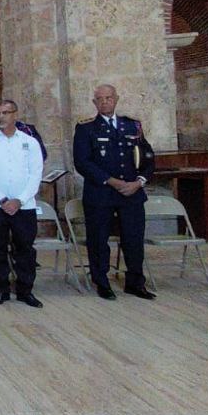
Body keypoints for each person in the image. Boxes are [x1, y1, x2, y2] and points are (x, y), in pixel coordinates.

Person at [71, 84, 156, 301]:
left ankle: (135, 282)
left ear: (116, 99)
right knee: (98, 240)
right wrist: (112, 182)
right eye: (100, 99)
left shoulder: (132, 125)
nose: (105, 102)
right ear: (94, 103)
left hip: (132, 193)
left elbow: (148, 158)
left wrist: (139, 182)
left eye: (109, 98)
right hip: (101, 194)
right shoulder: (86, 128)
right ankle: (102, 281)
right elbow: (82, 162)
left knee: (133, 239)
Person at [0, 101, 44, 308]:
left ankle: (25, 290)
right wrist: (2, 199)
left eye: (6, 112)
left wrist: (19, 200)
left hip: (24, 206)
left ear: (15, 114)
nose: (1, 116)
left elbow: (35, 174)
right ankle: (1, 289)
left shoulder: (29, 142)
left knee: (25, 249)